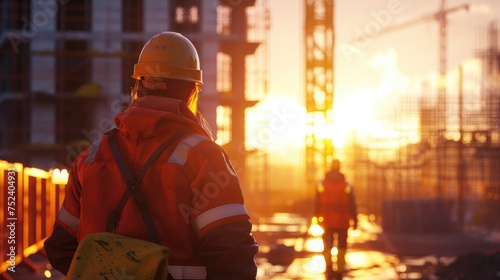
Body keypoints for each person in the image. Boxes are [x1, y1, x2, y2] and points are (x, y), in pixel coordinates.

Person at [44, 31, 258, 280]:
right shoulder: (204, 158)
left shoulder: (90, 158)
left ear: (137, 87)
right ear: (191, 92)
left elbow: (60, 248)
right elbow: (234, 261)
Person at [316, 159, 358, 279]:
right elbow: (352, 204)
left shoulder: (322, 184)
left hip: (326, 221)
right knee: (341, 246)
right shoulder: (347, 185)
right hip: (343, 221)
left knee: (328, 245)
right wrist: (355, 219)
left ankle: (329, 268)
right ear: (340, 168)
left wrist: (316, 217)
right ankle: (339, 271)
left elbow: (317, 202)